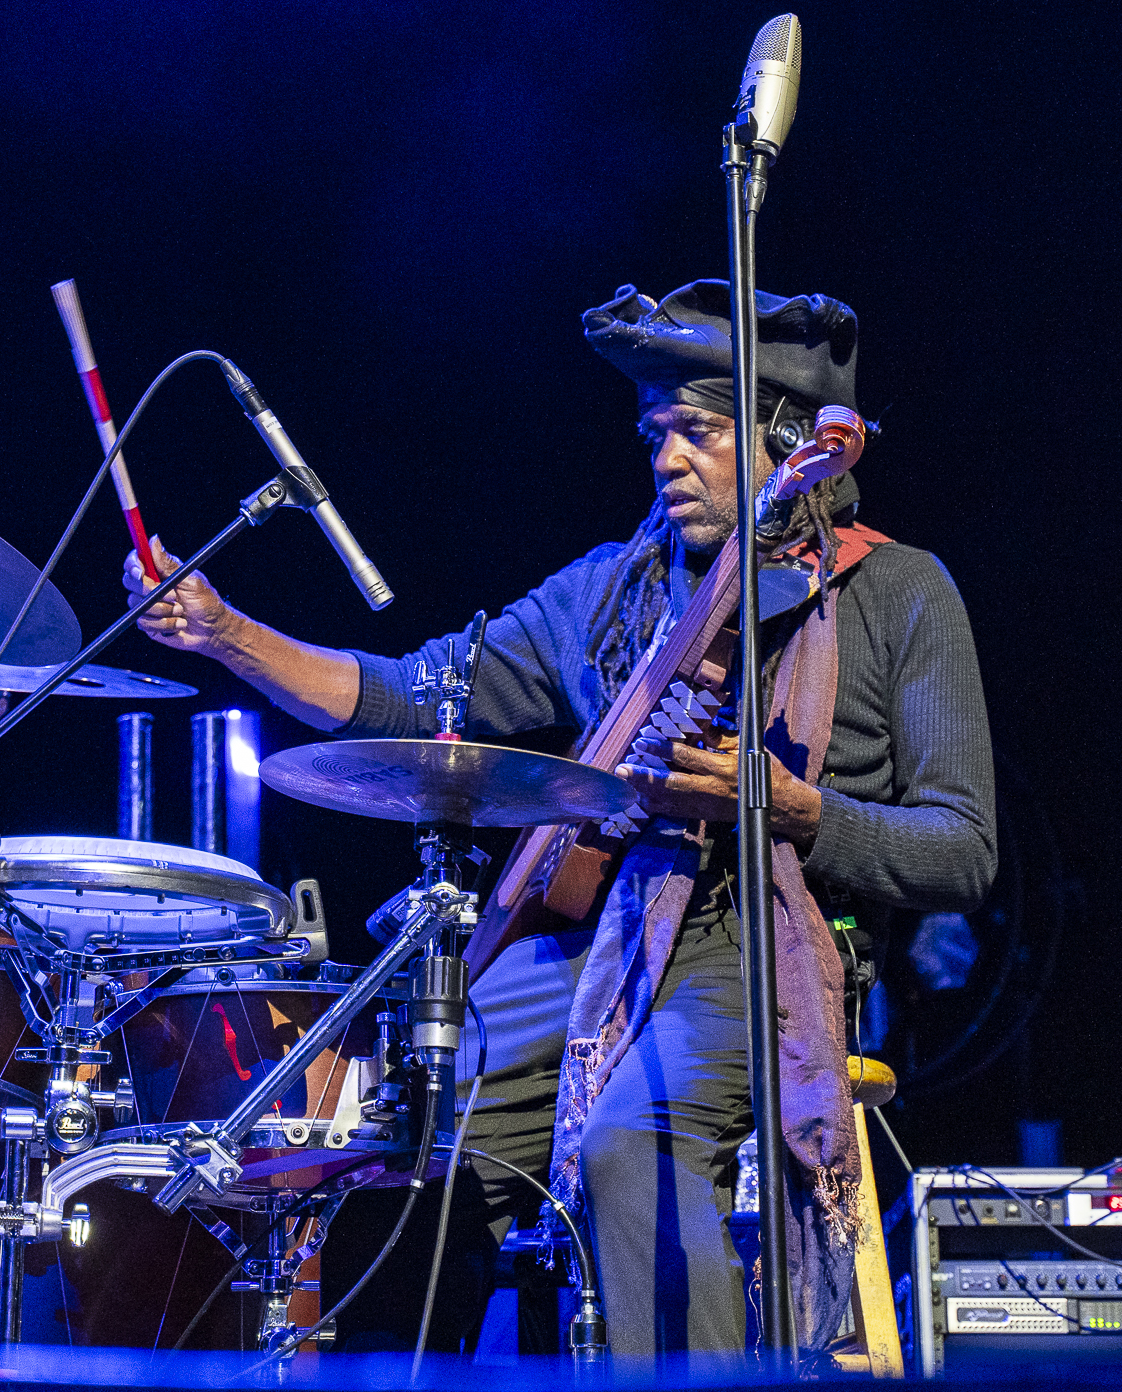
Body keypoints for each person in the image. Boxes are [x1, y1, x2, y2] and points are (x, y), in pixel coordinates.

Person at [123, 280, 996, 1361]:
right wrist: (226, 635)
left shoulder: (899, 593)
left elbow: (961, 850)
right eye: (654, 434)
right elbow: (416, 697)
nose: (665, 458)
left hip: (761, 946)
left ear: (785, 444)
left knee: (634, 1143)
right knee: (414, 1136)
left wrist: (787, 809)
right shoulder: (607, 592)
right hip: (595, 935)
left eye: (698, 432)